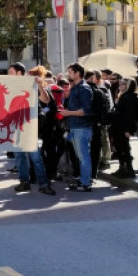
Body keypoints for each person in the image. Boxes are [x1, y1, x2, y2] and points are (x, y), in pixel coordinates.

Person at [59, 62, 93, 192]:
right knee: (81, 156)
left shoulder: (84, 88)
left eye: (71, 72)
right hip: (75, 127)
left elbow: (86, 110)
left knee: (84, 157)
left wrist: (68, 113)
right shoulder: (76, 88)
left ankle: (86, 183)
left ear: (78, 73)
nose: (69, 74)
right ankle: (84, 180)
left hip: (81, 128)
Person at [110, 77, 138, 179]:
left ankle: (128, 170)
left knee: (124, 149)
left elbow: (129, 115)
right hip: (119, 126)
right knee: (120, 148)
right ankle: (123, 168)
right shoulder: (124, 96)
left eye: (122, 84)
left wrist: (128, 130)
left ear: (128, 85)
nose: (120, 85)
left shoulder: (129, 97)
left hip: (123, 127)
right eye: (120, 83)